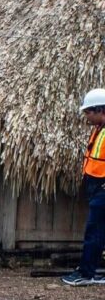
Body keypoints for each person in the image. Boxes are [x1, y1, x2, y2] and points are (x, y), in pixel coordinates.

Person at [63, 88, 105, 286]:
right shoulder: (99, 129)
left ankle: (86, 273)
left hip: (103, 188)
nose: (86, 115)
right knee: (97, 231)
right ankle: (92, 271)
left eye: (89, 111)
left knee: (94, 231)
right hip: (96, 186)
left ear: (100, 110)